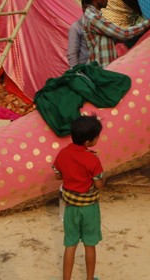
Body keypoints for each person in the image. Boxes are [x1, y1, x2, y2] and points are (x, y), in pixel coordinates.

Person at [53, 114, 105, 280]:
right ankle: (90, 278)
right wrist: (103, 178)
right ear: (88, 142)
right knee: (90, 245)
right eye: (97, 136)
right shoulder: (92, 159)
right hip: (89, 208)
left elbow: (57, 176)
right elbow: (98, 184)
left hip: (70, 208)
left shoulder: (63, 154)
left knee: (70, 244)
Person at [80, 0, 150, 68]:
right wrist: (149, 22)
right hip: (103, 69)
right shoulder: (93, 18)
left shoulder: (93, 16)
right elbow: (123, 33)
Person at [67, 3, 90, 68]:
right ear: (84, 8)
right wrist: (77, 73)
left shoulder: (99, 26)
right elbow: (72, 54)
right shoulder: (76, 27)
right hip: (84, 71)